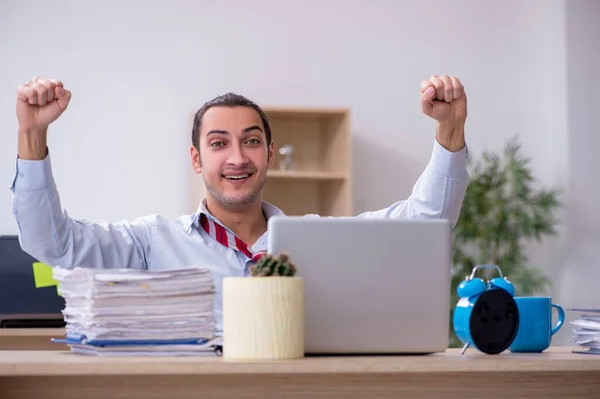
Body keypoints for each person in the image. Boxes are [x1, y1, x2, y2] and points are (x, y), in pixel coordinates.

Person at [11, 75, 470, 333]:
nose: (237, 158)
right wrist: (32, 136)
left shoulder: (320, 242)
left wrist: (448, 131)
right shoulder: (150, 243)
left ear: (270, 154)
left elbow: (423, 224)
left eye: (251, 142)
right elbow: (51, 243)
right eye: (219, 143)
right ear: (196, 158)